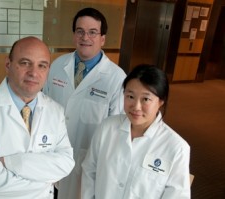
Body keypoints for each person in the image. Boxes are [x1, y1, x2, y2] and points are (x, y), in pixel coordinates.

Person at [0, 37, 75, 199]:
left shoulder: (55, 111)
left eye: (42, 65)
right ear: (8, 65)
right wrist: (44, 181)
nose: (34, 73)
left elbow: (66, 163)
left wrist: (12, 162)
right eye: (25, 63)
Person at [43, 7, 126, 199]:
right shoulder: (57, 66)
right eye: (80, 31)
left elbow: (116, 132)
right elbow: (44, 107)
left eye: (92, 32)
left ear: (102, 39)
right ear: (74, 35)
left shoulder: (116, 78)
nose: (85, 37)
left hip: (86, 162)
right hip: (51, 154)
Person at [81, 64, 191, 199]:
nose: (136, 107)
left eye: (146, 99)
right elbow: (89, 170)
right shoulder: (107, 127)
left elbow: (177, 195)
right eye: (130, 96)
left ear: (161, 101)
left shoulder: (176, 147)